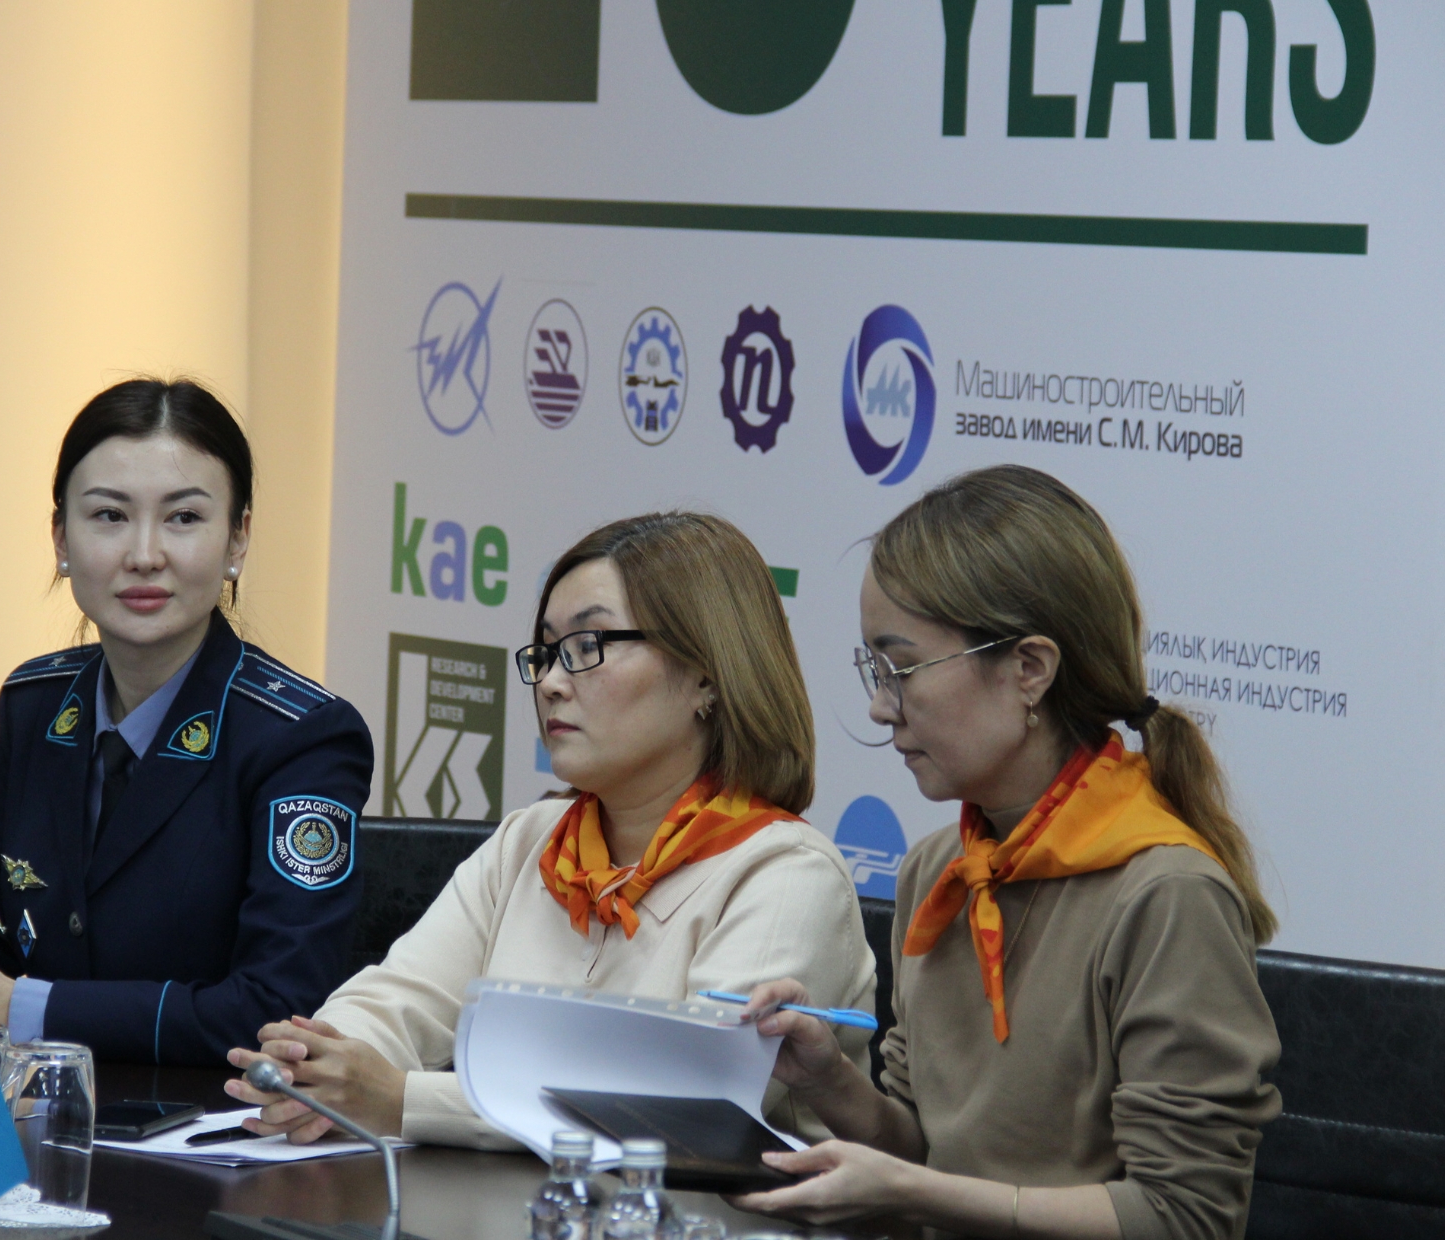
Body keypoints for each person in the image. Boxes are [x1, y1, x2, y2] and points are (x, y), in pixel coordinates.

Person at [733, 465, 1281, 1240]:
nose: (880, 706)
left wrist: (913, 1191)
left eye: (901, 669)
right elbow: (926, 1148)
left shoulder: (1167, 893)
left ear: (1029, 670)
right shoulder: (938, 870)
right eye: (874, 670)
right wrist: (830, 1080)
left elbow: (1183, 1216)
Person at [224, 512, 876, 1148]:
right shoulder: (530, 840)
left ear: (706, 672)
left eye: (588, 648)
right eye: (546, 652)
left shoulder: (786, 875)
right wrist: (317, 1064)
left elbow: (682, 1106)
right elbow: (402, 996)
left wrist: (400, 1099)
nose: (552, 683)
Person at [0, 378, 373, 1067]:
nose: (144, 553)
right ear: (60, 538)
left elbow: (277, 1007)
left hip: (209, 1121)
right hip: (26, 1109)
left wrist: (26, 1008)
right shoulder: (34, 702)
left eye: (183, 518)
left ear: (238, 539)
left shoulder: (301, 738)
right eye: (109, 515)